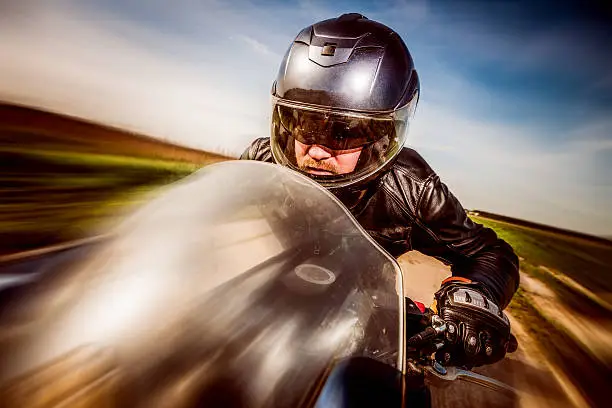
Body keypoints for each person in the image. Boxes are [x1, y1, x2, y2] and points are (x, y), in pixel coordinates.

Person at [241, 13, 519, 371]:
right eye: (305, 123)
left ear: (382, 135)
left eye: (344, 131)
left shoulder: (411, 188)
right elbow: (206, 213)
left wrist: (476, 296)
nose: (317, 151)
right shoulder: (260, 162)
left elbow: (491, 252)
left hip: (368, 320)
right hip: (271, 305)